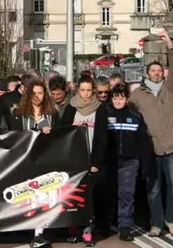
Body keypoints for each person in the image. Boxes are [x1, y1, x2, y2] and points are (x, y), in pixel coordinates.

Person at [128, 30, 173, 238]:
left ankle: (171, 221)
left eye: (158, 70)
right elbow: (127, 112)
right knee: (153, 188)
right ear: (147, 73)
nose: (156, 73)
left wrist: (169, 45)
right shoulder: (137, 95)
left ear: (162, 73)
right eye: (152, 70)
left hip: (172, 143)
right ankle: (156, 223)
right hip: (151, 147)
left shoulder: (170, 89)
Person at [60, 78, 108, 246]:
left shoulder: (100, 109)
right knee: (72, 195)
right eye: (83, 90)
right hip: (73, 160)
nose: (86, 93)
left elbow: (102, 138)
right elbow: (63, 134)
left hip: (90, 161)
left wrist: (97, 162)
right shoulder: (71, 108)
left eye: (89, 90)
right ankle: (73, 229)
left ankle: (88, 231)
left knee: (89, 197)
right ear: (78, 90)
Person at [9, 80, 56, 248]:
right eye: (34, 93)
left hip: (45, 159)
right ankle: (23, 228)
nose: (38, 97)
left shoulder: (51, 113)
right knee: (26, 195)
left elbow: (59, 137)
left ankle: (39, 233)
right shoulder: (19, 113)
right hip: (25, 159)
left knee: (43, 195)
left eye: (41, 93)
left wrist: (49, 134)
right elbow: (14, 136)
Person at [106, 84, 151, 242]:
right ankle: (108, 222)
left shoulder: (135, 116)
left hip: (130, 161)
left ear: (127, 98)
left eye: (121, 98)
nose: (118, 101)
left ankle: (125, 227)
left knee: (126, 194)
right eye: (115, 98)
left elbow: (143, 142)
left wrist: (145, 164)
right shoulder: (105, 114)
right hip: (110, 161)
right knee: (109, 193)